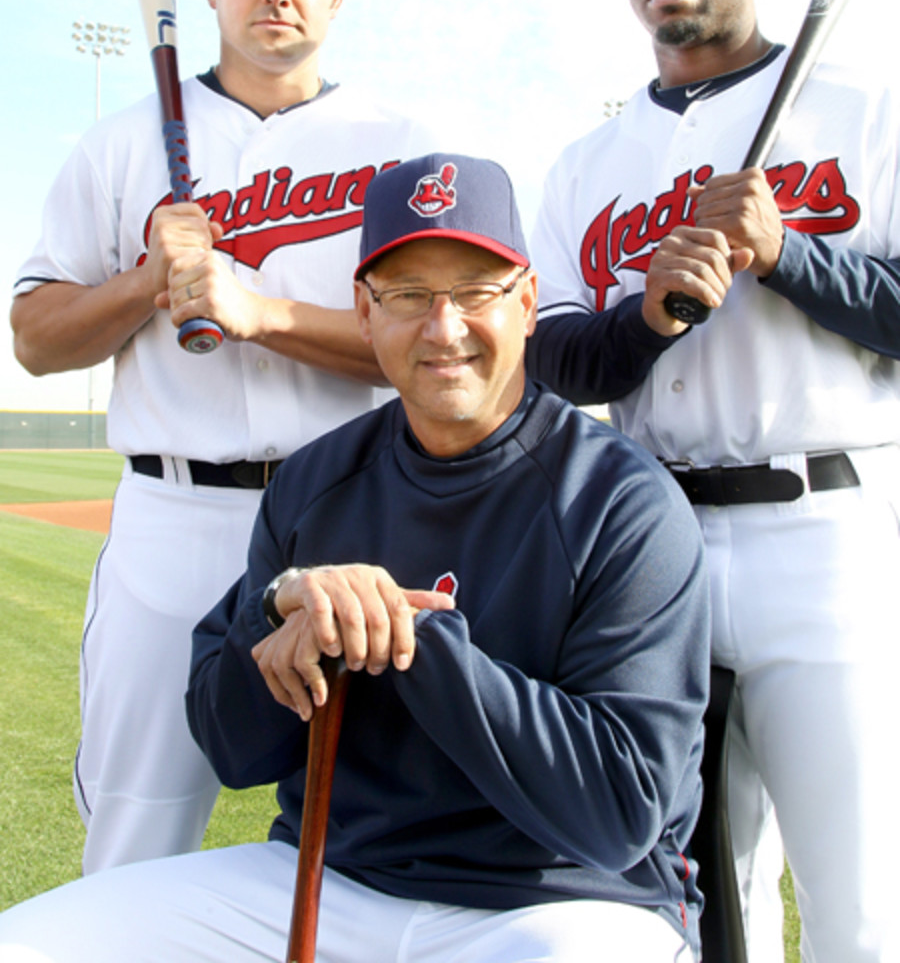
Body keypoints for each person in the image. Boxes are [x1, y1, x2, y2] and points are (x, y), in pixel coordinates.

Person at [0, 153, 710, 963]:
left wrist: (411, 639)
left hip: (562, 903)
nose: (443, 327)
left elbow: (619, 815)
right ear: (365, 314)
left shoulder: (621, 500)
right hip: (330, 877)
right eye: (407, 295)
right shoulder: (317, 483)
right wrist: (277, 618)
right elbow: (233, 750)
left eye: (475, 292)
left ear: (526, 304)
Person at [9, 0, 437, 874]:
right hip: (172, 521)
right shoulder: (120, 145)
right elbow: (35, 339)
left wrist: (262, 314)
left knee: (367, 841)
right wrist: (146, 282)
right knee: (135, 834)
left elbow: (432, 348)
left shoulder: (400, 150)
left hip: (347, 518)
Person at [527, 0, 900, 963]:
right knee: (699, 898)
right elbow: (557, 362)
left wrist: (788, 254)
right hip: (653, 546)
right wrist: (645, 320)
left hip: (827, 533)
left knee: (860, 901)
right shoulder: (586, 164)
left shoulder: (870, 113)